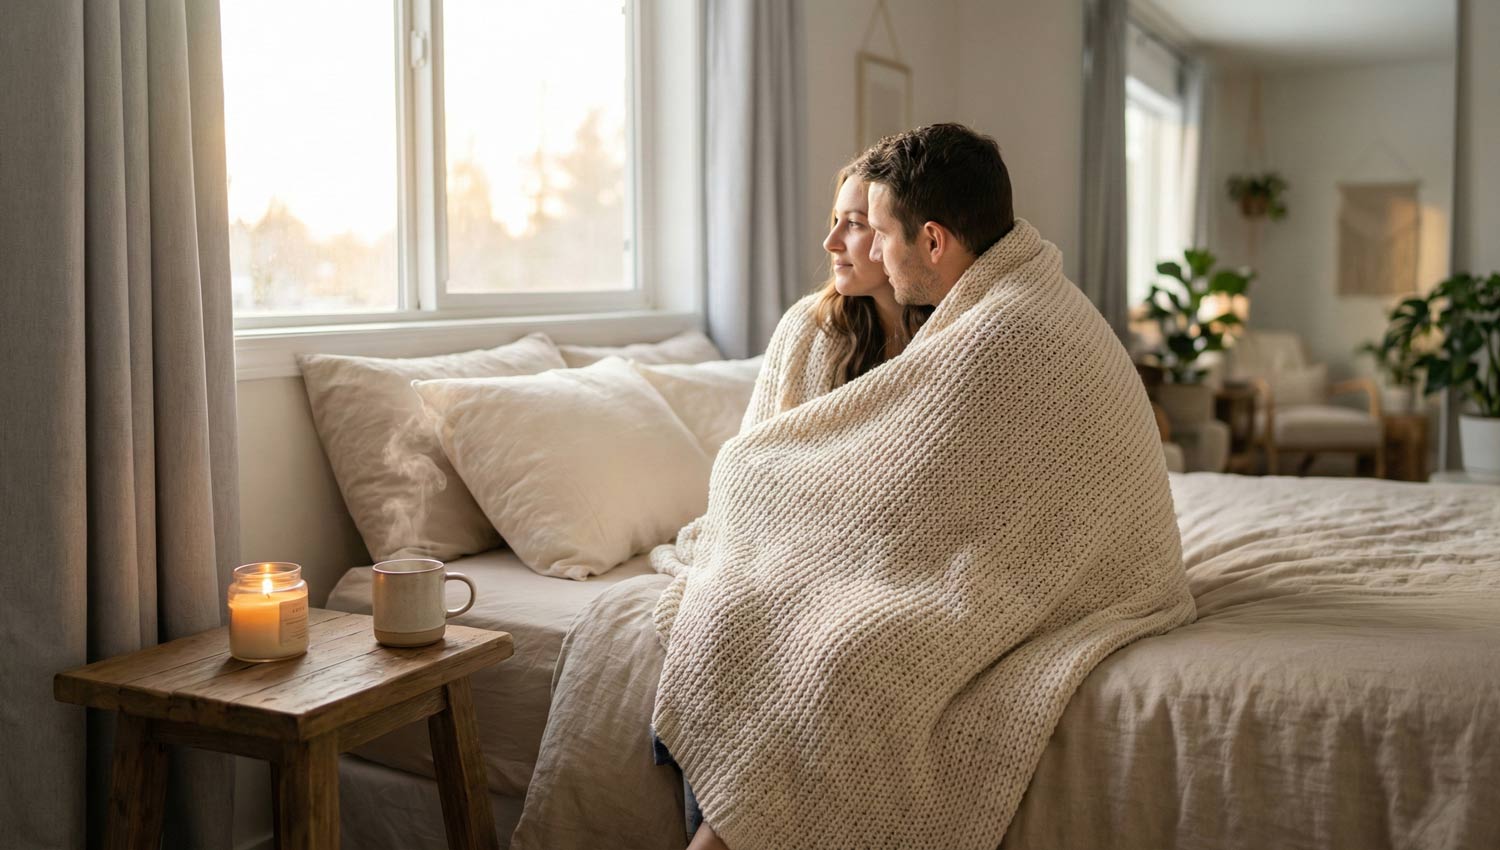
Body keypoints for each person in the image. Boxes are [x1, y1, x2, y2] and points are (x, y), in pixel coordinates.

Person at [652, 123, 1194, 850]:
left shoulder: (994, 327)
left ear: (931, 241)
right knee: (744, 617)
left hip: (1042, 569)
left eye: (874, 229)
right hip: (858, 546)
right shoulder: (1000, 304)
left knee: (846, 655)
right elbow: (825, 466)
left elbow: (925, 483)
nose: (859, 246)